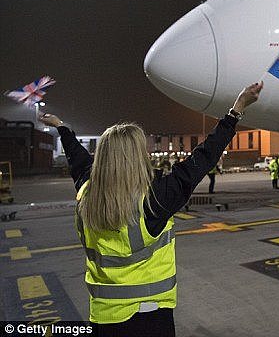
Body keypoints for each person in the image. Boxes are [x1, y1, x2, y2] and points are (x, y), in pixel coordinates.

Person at [39, 81, 263, 337]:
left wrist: (61, 128)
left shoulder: (86, 193)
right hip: (150, 317)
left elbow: (77, 158)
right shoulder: (154, 199)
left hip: (103, 316)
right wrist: (237, 110)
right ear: (137, 156)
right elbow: (203, 158)